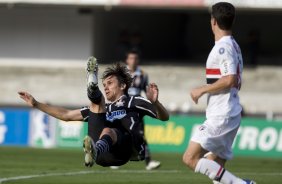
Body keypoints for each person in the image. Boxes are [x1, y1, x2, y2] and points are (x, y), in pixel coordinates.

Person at [18, 57, 169, 167]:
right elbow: (66, 115)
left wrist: (156, 103)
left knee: (109, 129)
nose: (107, 87)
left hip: (125, 151)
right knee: (96, 106)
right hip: (101, 156)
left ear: (123, 85)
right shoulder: (105, 109)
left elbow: (164, 117)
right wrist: (36, 103)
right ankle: (92, 88)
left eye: (110, 83)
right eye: (104, 85)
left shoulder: (134, 101)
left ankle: (92, 88)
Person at [182, 2, 256, 184]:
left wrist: (202, 89)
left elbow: (230, 78)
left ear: (213, 21)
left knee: (190, 158)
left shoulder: (223, 48)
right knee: (214, 167)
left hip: (221, 114)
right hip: (229, 112)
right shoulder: (234, 45)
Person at [125, 49, 161, 170]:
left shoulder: (143, 74)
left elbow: (147, 93)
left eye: (135, 58)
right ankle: (115, 159)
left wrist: (151, 105)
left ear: (138, 60)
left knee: (141, 134)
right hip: (124, 107)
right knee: (119, 133)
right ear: (127, 60)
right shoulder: (122, 73)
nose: (133, 61)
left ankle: (149, 162)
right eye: (131, 58)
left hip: (137, 108)